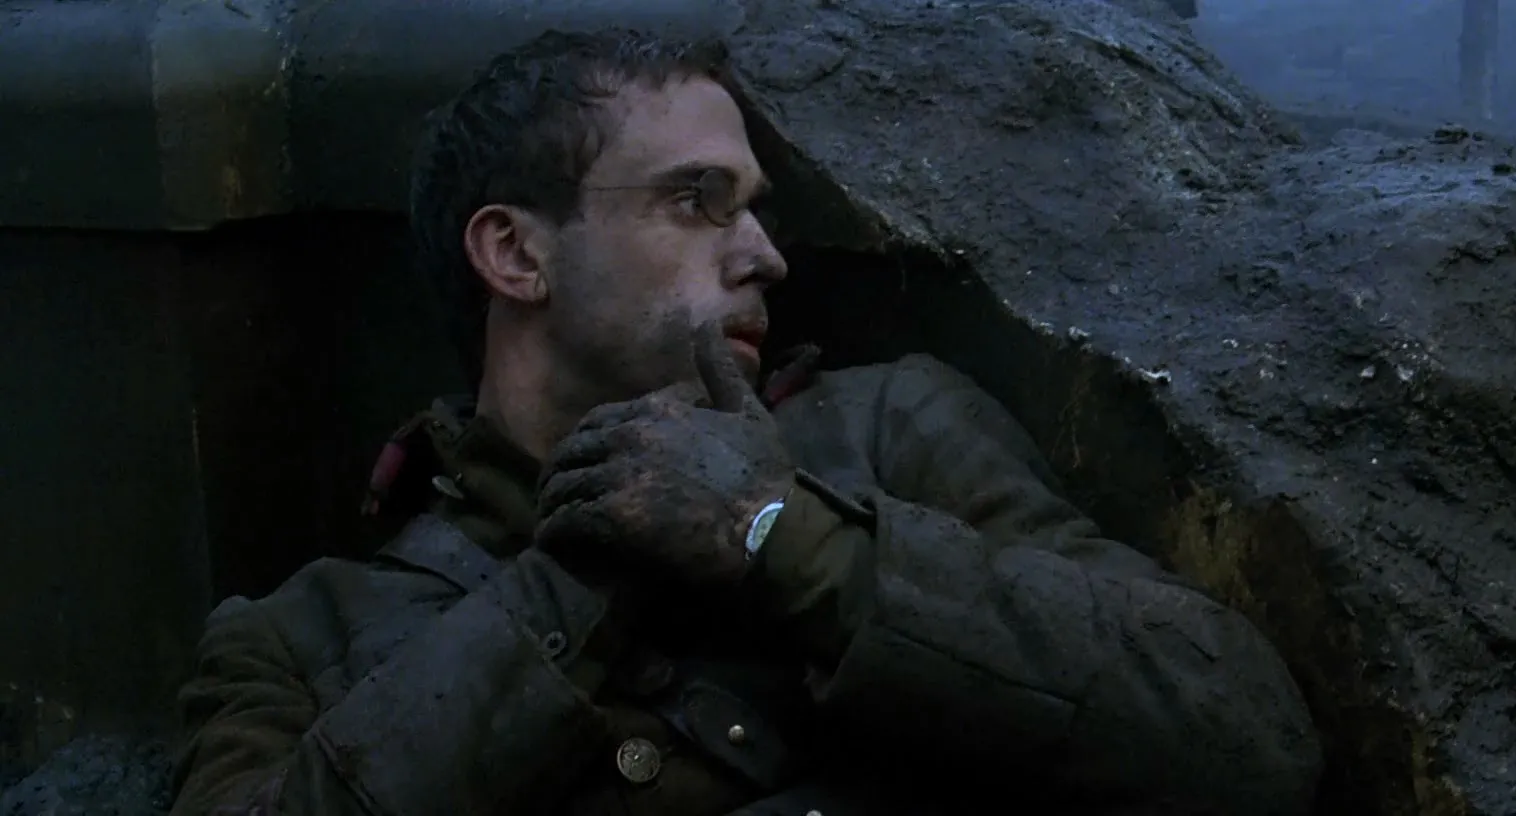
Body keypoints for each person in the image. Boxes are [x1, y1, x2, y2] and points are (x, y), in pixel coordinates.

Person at [167, 27, 1323, 816]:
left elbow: (1245, 735)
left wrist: (782, 532)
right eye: (694, 200)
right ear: (516, 254)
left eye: (754, 210)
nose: (764, 256)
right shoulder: (300, 639)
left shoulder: (890, 430)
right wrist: (576, 578)